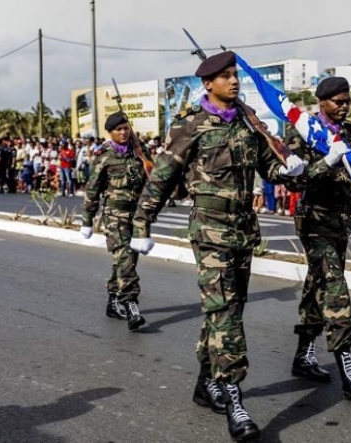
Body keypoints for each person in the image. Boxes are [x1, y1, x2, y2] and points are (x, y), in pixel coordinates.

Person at [130, 51, 306, 441]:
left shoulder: (248, 123)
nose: (234, 81)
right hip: (210, 233)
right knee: (225, 313)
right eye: (225, 76)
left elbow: (268, 166)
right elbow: (161, 178)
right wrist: (141, 223)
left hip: (243, 229)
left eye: (235, 75)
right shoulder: (191, 125)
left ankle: (204, 383)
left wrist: (291, 171)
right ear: (207, 84)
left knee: (226, 311)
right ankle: (233, 395)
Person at [283, 76, 351, 401]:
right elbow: (295, 182)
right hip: (314, 219)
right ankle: (348, 367)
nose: (343, 107)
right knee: (334, 288)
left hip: (341, 221)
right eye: (337, 102)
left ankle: (304, 356)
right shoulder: (303, 132)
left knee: (318, 284)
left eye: (347, 102)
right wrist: (326, 161)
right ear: (322, 102)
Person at [80, 111, 149, 331]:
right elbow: (93, 189)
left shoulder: (138, 151)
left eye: (126, 128)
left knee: (127, 261)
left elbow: (152, 175)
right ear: (110, 132)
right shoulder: (104, 155)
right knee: (126, 258)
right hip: (114, 217)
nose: (123, 132)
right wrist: (87, 220)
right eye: (118, 129)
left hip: (136, 217)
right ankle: (131, 306)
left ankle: (113, 300)